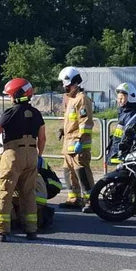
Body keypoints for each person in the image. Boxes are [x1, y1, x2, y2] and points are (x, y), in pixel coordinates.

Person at [0, 77, 45, 242]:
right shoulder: (36, 113)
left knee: (5, 192)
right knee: (28, 193)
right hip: (32, 155)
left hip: (13, 155)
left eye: (9, 95)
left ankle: (0, 231)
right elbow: (42, 139)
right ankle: (31, 230)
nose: (9, 98)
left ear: (16, 95)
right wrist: (39, 155)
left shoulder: (10, 113)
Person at [58, 66, 95, 212]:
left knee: (82, 172)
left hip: (79, 144)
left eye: (66, 85)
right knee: (69, 172)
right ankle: (74, 199)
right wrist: (62, 129)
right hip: (68, 144)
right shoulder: (71, 99)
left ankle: (91, 201)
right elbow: (71, 120)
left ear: (74, 83)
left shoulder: (82, 99)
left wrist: (80, 140)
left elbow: (85, 122)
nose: (65, 88)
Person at [108, 82, 136, 164]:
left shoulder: (131, 114)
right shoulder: (123, 112)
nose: (119, 101)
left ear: (130, 98)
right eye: (118, 98)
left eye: (122, 98)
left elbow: (129, 134)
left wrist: (121, 150)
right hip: (119, 152)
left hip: (125, 153)